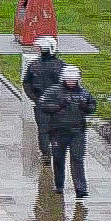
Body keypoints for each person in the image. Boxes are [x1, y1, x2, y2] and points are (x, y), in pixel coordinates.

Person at [42, 65, 96, 198]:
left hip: (77, 132)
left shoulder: (84, 93)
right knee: (59, 160)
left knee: (77, 159)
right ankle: (59, 185)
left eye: (73, 80)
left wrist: (86, 107)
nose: (71, 83)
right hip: (58, 132)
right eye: (69, 80)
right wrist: (57, 106)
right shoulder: (54, 92)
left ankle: (80, 188)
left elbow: (93, 107)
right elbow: (43, 105)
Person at [22, 36, 67, 166]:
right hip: (56, 105)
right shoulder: (61, 65)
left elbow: (26, 84)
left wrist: (35, 98)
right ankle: (54, 151)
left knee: (43, 130)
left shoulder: (34, 65)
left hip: (41, 104)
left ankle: (46, 153)